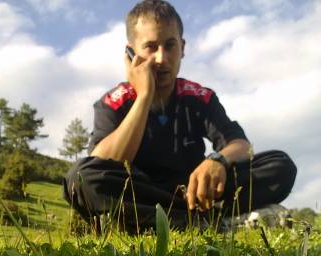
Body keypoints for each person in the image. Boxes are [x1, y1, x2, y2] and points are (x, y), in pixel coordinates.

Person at [63, 0, 297, 232]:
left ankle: (191, 221)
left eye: (170, 45)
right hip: (141, 193)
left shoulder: (199, 97)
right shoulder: (113, 102)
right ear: (131, 52)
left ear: (182, 48)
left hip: (194, 192)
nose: (162, 58)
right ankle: (200, 223)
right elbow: (100, 164)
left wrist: (218, 161)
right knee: (79, 178)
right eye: (151, 47)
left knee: (281, 165)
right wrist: (144, 96)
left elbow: (241, 145)